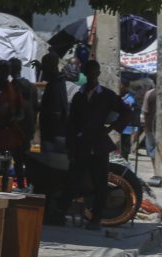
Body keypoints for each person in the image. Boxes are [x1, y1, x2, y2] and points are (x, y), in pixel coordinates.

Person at [67, 60, 132, 230]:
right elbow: (72, 122)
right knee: (76, 179)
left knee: (100, 182)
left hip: (98, 143)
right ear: (86, 74)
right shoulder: (79, 96)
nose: (92, 76)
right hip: (81, 144)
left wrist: (111, 128)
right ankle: (76, 213)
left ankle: (96, 218)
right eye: (89, 73)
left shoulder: (107, 95)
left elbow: (126, 111)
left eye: (94, 73)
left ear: (98, 74)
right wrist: (70, 144)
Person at [38, 52, 69, 153]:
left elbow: (56, 114)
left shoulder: (55, 85)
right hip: (55, 135)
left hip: (52, 136)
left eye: (44, 67)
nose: (43, 70)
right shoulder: (59, 82)